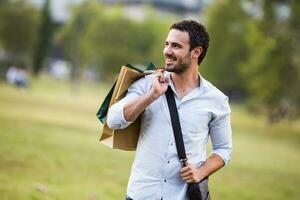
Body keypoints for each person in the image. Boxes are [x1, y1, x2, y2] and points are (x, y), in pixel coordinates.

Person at [107, 20, 232, 200]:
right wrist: (151, 95)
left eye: (176, 46)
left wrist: (201, 172)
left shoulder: (216, 100)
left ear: (196, 52)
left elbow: (223, 149)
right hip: (142, 194)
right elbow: (113, 120)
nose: (167, 51)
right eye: (167, 44)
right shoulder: (147, 84)